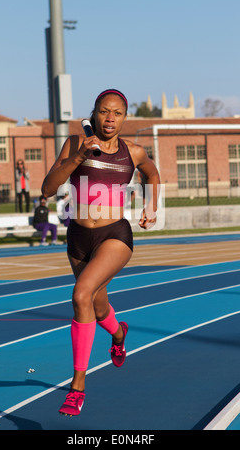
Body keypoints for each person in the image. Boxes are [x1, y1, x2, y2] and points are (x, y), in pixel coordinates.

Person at [41, 89, 160, 417]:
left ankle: (77, 387)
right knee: (97, 302)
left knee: (81, 295)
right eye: (104, 111)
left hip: (115, 235)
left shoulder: (133, 152)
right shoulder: (75, 144)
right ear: (93, 113)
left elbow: (152, 174)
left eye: (117, 113)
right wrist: (78, 158)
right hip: (78, 236)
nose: (110, 118)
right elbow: (48, 189)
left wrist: (151, 207)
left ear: (124, 117)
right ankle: (119, 333)